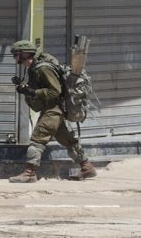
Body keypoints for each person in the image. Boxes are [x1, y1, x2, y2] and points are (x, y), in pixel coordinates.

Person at [8, 40, 96, 183]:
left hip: (53, 110)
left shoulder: (43, 68)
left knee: (37, 139)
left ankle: (29, 173)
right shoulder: (33, 68)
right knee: (68, 140)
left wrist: (33, 92)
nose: (15, 58)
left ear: (24, 54)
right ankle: (87, 167)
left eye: (16, 55)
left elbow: (55, 91)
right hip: (53, 110)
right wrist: (26, 89)